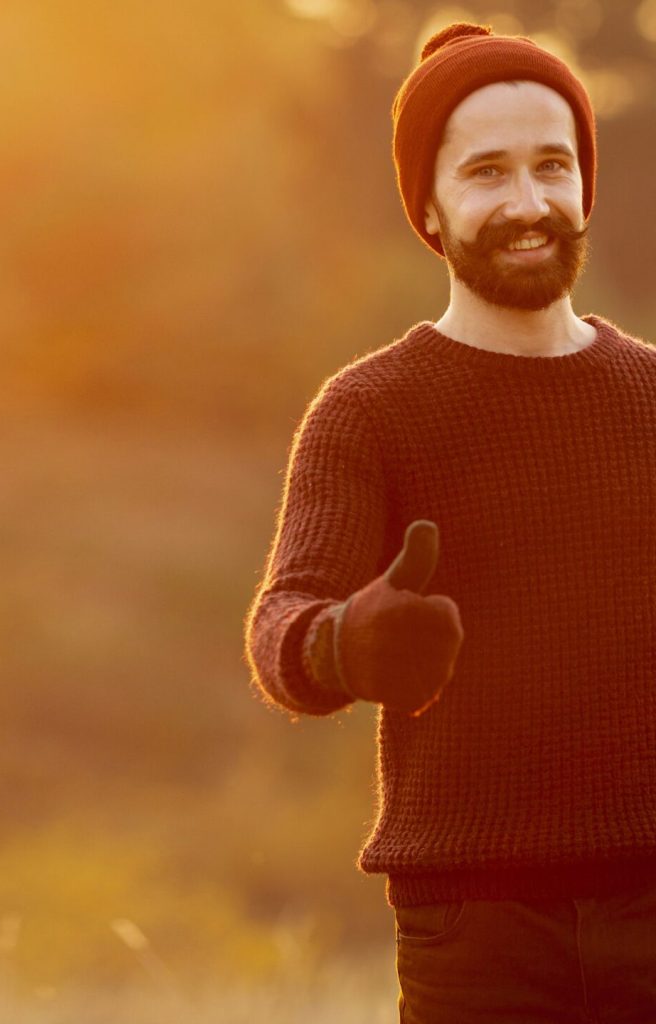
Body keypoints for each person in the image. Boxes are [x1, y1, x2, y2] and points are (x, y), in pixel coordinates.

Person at [244, 22, 656, 1024]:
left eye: (551, 164)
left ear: (584, 182)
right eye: (486, 172)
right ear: (427, 205)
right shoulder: (368, 410)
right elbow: (281, 623)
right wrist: (345, 643)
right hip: (475, 933)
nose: (527, 203)